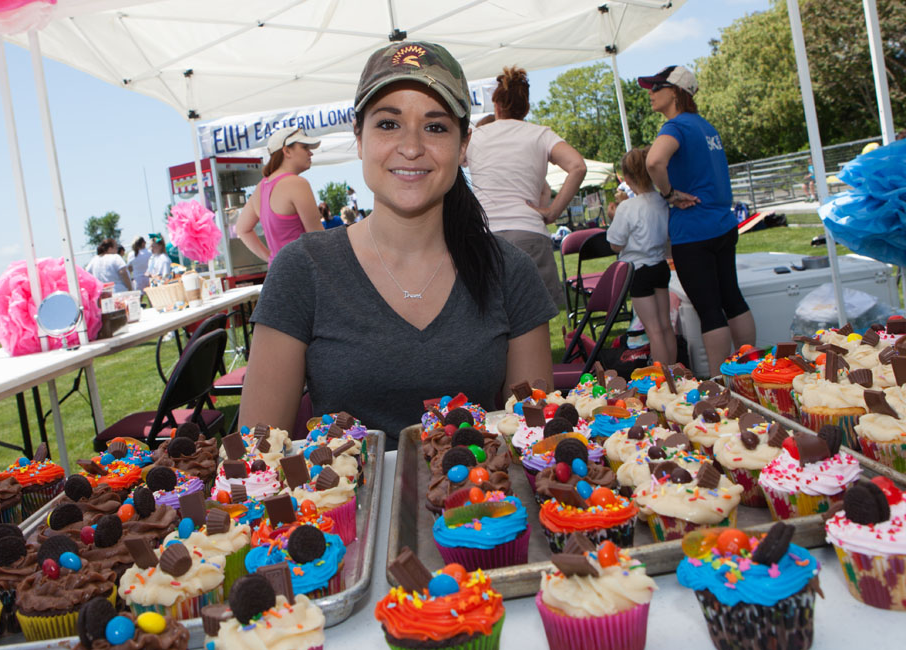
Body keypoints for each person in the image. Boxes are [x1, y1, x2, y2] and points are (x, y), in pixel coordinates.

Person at [237, 41, 556, 440]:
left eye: (436, 127)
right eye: (388, 124)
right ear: (359, 137)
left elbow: (539, 442)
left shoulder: (510, 270)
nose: (411, 147)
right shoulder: (303, 269)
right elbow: (255, 454)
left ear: (463, 146)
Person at [642, 65, 754, 376]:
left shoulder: (675, 127)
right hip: (722, 224)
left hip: (693, 230)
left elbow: (653, 161)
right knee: (733, 299)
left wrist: (668, 194)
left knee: (709, 309)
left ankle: (722, 381)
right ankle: (748, 372)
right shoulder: (706, 127)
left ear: (675, 91)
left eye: (656, 87)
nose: (650, 94)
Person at [465, 66, 588, 310]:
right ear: (526, 107)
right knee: (536, 319)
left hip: (487, 236)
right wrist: (552, 212)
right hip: (530, 233)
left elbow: (446, 165)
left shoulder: (475, 137)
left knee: (493, 319)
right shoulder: (541, 135)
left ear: (496, 105)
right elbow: (578, 167)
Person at [605, 147, 675, 366]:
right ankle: (675, 371)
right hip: (660, 266)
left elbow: (615, 244)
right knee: (665, 325)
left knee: (652, 329)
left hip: (638, 271)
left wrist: (613, 217)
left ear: (626, 178)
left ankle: (663, 378)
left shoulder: (627, 207)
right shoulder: (663, 201)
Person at [234, 127, 323, 264]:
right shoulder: (297, 183)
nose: (310, 153)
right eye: (305, 147)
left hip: (278, 276)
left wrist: (272, 259)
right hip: (305, 274)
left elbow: (242, 229)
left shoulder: (261, 188)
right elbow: (319, 240)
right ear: (286, 151)